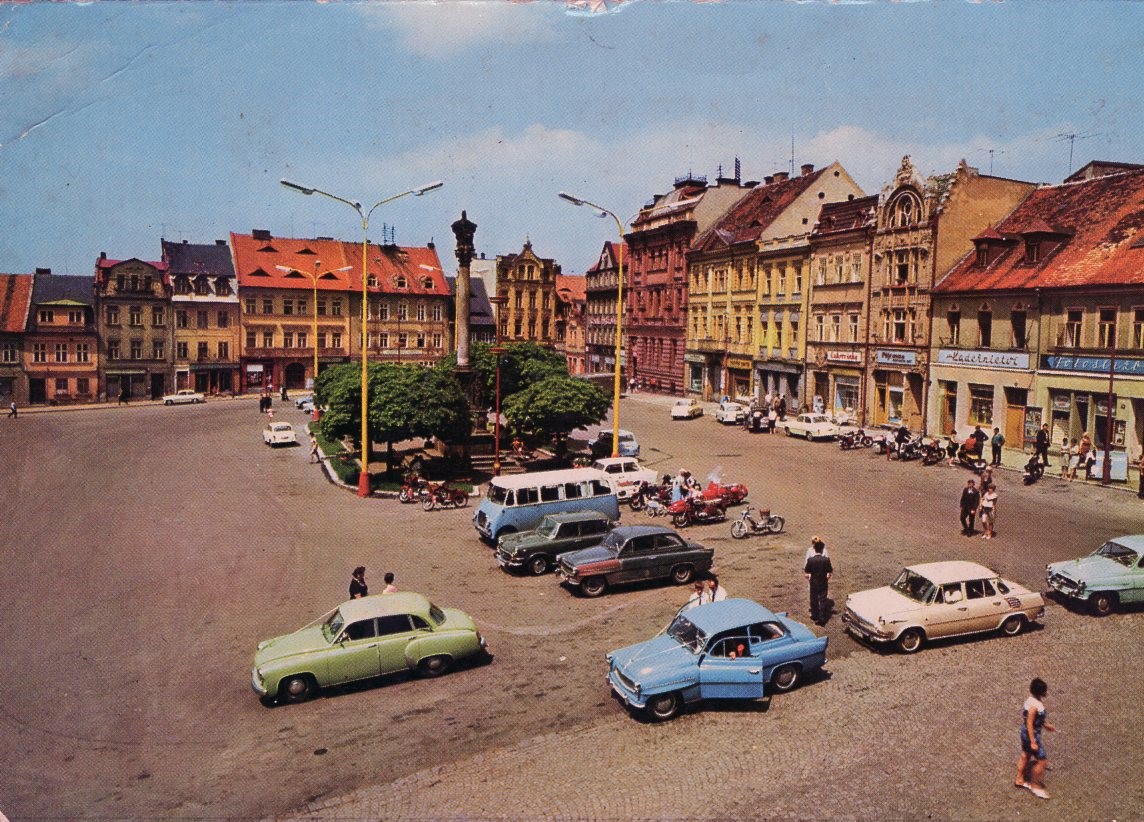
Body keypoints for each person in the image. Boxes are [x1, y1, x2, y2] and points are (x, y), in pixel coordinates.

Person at [1015, 678, 1057, 800]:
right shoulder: (1036, 705)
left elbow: (1031, 719)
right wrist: (1033, 741)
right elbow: (1030, 722)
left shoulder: (1030, 700)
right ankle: (1035, 785)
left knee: (1025, 755)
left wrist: (1045, 725)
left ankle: (1019, 779)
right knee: (1042, 761)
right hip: (1031, 735)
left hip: (1025, 733)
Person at [804, 538, 833, 625]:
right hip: (823, 582)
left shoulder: (810, 560)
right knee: (823, 600)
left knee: (813, 599)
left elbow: (807, 571)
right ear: (822, 549)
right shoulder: (826, 560)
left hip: (813, 582)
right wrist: (827, 577)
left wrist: (809, 577)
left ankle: (814, 615)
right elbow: (830, 570)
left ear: (815, 549)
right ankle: (822, 618)